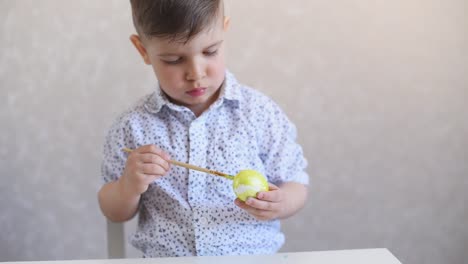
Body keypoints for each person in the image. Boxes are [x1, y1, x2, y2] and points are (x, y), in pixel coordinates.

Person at [98, 0, 309, 257]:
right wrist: (128, 186)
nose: (195, 73)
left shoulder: (260, 113)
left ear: (224, 30)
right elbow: (113, 210)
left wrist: (282, 202)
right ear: (142, 50)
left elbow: (296, 184)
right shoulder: (133, 126)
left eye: (210, 52)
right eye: (174, 60)